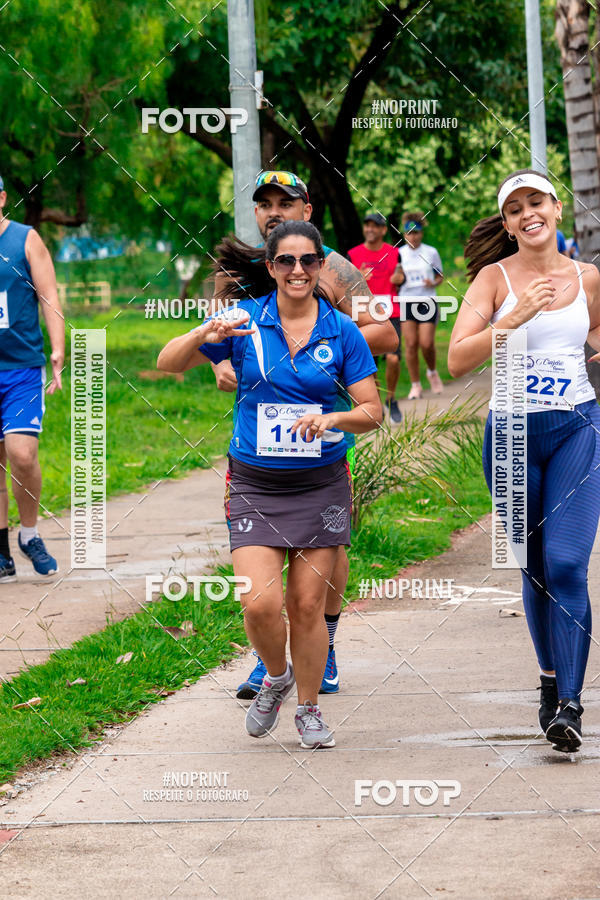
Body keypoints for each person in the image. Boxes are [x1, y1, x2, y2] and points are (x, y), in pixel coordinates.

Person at [158, 221, 382, 748]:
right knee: (259, 604)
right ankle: (276, 676)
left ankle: (307, 708)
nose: (298, 271)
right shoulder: (244, 322)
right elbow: (167, 364)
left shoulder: (342, 332)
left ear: (321, 265)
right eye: (286, 261)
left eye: (308, 261)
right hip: (256, 483)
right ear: (270, 267)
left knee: (306, 606)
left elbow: (371, 411)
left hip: (320, 482)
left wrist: (332, 421)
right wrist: (201, 334)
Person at [211, 171, 398, 700]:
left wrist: (322, 336)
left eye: (286, 203)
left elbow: (385, 331)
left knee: (327, 545)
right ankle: (267, 661)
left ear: (307, 209)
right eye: (265, 204)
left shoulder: (331, 266)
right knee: (260, 562)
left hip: (329, 415)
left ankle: (326, 641)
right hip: (260, 430)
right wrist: (219, 369)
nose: (275, 212)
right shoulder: (235, 272)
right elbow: (215, 345)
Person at [448, 168, 600, 753]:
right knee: (535, 568)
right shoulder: (493, 279)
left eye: (535, 201)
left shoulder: (588, 279)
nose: (526, 214)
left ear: (558, 209)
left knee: (566, 563)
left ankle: (570, 704)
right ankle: (549, 676)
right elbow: (458, 358)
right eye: (514, 209)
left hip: (577, 430)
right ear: (508, 225)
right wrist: (511, 320)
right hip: (511, 434)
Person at [0, 174, 64, 578]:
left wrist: (57, 348)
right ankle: (0, 551)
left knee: (21, 453)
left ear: (2, 197)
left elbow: (49, 294)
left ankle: (28, 533)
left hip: (21, 367)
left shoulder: (25, 238)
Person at [348, 212, 405, 424]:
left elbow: (401, 277)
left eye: (375, 226)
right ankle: (378, 403)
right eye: (367, 225)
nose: (370, 229)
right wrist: (358, 281)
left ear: (383, 230)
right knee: (369, 363)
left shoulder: (395, 253)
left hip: (391, 311)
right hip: (363, 311)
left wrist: (400, 278)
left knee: (392, 358)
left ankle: (391, 398)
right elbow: (344, 288)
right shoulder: (352, 254)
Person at [396, 211, 444, 399]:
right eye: (410, 233)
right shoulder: (399, 254)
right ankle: (416, 385)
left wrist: (433, 283)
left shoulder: (431, 252)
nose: (413, 237)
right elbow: (395, 278)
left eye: (417, 233)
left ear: (421, 233)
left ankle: (432, 372)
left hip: (427, 301)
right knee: (411, 344)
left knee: (426, 343)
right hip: (406, 301)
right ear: (405, 234)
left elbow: (440, 276)